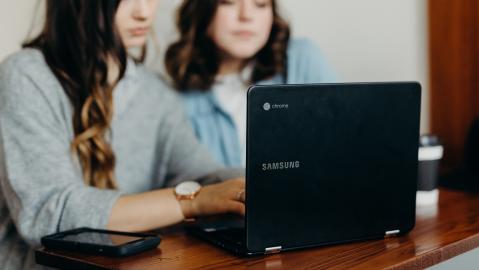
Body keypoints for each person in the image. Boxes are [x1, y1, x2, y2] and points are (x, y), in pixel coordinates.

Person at [0, 1, 245, 268]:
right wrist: (192, 202)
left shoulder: (155, 91)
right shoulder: (25, 75)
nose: (144, 12)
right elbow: (48, 213)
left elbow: (204, 174)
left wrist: (258, 182)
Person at [165, 0, 337, 167]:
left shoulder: (301, 59)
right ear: (201, 8)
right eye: (229, 2)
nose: (246, 16)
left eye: (261, 4)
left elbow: (341, 148)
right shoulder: (173, 99)